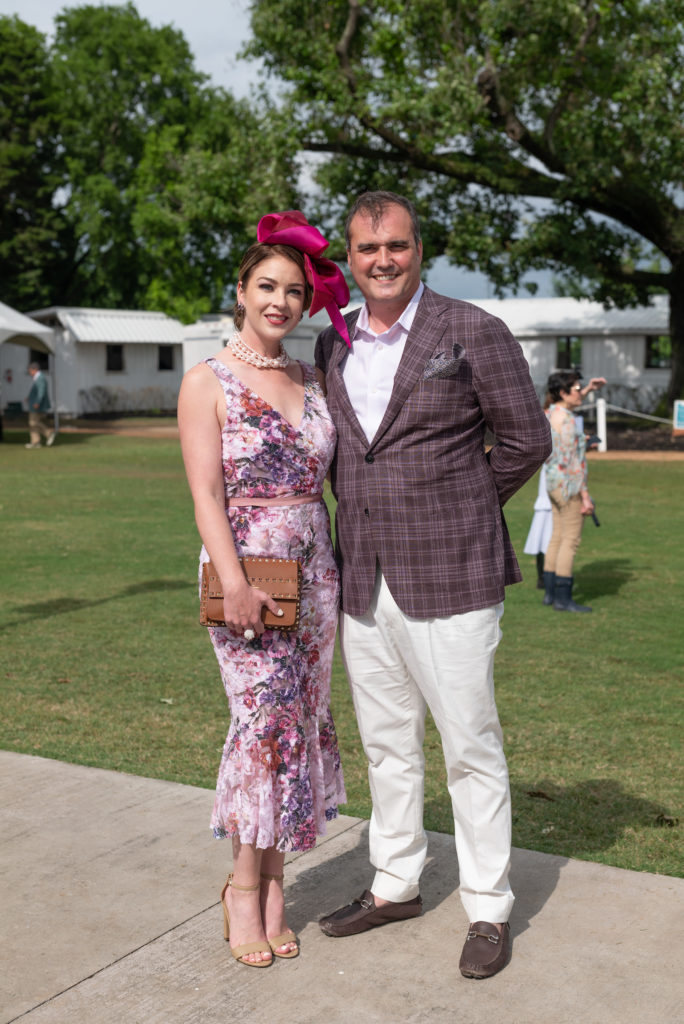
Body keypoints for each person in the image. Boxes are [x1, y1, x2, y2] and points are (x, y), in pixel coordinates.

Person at [314, 191, 551, 979]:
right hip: (364, 578)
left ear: (421, 250)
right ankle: (395, 884)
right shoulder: (333, 341)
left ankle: (488, 907)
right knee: (387, 746)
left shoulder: (472, 330)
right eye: (366, 248)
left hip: (453, 572)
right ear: (348, 257)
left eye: (397, 246)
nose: (382, 260)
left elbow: (525, 438)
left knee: (470, 748)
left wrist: (465, 507)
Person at [177, 211, 350, 969]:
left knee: (303, 725)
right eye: (266, 286)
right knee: (263, 730)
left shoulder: (311, 380)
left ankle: (277, 882)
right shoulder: (205, 380)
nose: (280, 301)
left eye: (293, 291)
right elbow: (206, 497)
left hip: (316, 580)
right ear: (241, 290)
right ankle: (243, 891)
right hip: (247, 574)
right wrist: (237, 583)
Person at [525, 375, 605, 597]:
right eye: (577, 389)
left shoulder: (550, 414)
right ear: (563, 392)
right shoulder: (567, 420)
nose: (580, 393)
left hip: (552, 485)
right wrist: (586, 496)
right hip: (569, 486)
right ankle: (563, 597)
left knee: (556, 538)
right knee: (570, 542)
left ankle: (550, 594)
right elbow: (573, 463)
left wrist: (587, 388)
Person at [25, 363, 56, 449]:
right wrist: (29, 397)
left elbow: (41, 392)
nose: (29, 372)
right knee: (32, 424)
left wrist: (37, 402)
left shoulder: (40, 378)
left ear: (34, 369)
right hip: (34, 404)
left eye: (30, 370)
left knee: (33, 422)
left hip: (37, 405)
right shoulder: (37, 378)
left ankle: (49, 433)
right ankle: (35, 442)